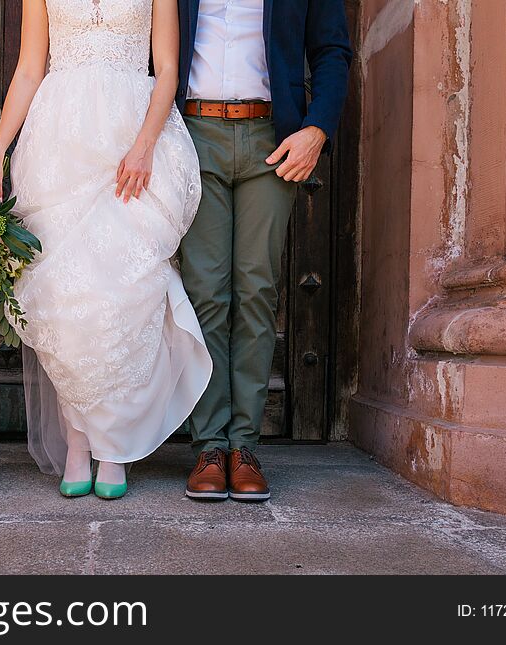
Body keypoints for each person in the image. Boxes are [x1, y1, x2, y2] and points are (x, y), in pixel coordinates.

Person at [0, 0, 212, 500]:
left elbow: (167, 68)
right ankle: (78, 442)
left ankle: (113, 446)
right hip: (58, 145)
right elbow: (27, 69)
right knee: (67, 298)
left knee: (123, 293)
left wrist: (146, 145)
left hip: (134, 138)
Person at [178, 0, 352, 501]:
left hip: (271, 139)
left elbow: (332, 50)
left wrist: (317, 129)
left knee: (256, 289)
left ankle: (245, 447)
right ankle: (210, 447)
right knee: (206, 291)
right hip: (192, 134)